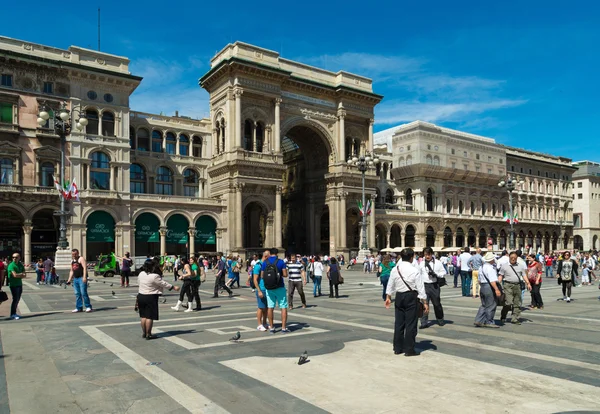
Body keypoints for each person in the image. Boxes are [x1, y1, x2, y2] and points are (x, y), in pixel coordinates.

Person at [385, 248, 428, 356]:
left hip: (399, 296)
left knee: (399, 323)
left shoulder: (396, 269)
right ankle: (409, 349)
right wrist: (425, 302)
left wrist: (388, 297)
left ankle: (397, 348)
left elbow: (390, 284)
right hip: (411, 296)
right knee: (411, 324)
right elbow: (420, 287)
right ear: (411, 257)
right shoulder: (414, 270)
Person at [137, 258, 180, 339]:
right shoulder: (154, 276)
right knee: (150, 316)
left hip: (141, 296)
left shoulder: (141, 274)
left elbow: (138, 282)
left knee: (143, 316)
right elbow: (163, 284)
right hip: (150, 297)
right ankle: (148, 334)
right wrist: (173, 287)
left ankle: (144, 333)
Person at [498, 251, 531, 325]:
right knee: (508, 302)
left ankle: (515, 318)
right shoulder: (504, 266)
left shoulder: (520, 266)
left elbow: (524, 275)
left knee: (517, 303)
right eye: (511, 258)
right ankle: (503, 315)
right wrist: (497, 285)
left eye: (514, 258)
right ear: (509, 258)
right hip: (508, 285)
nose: (513, 259)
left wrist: (528, 283)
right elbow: (500, 276)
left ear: (517, 258)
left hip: (517, 286)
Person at [261, 248, 289, 334]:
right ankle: (283, 328)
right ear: (277, 253)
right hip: (280, 286)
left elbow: (262, 276)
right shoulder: (281, 262)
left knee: (270, 307)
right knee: (283, 306)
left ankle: (272, 328)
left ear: (270, 253)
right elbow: (285, 275)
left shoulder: (265, 262)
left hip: (269, 288)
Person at [418, 247, 446, 329]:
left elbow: (443, 272)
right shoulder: (421, 264)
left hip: (434, 285)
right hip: (425, 285)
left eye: (429, 254)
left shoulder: (438, 262)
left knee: (437, 303)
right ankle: (424, 322)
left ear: (432, 254)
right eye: (426, 254)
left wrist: (436, 274)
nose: (427, 256)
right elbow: (418, 274)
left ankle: (440, 318)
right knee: (424, 304)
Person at [474, 252, 502, 328]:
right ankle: (489, 321)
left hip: (483, 286)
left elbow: (479, 280)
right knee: (491, 305)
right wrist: (496, 289)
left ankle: (478, 320)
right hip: (489, 286)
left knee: (484, 304)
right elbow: (492, 280)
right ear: (492, 259)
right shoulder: (490, 268)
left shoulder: (481, 267)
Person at [67, 249, 92, 313]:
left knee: (83, 293)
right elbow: (71, 271)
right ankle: (79, 307)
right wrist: (69, 280)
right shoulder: (72, 261)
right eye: (73, 254)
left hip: (81, 278)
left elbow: (84, 268)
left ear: (78, 253)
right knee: (77, 293)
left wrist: (84, 277)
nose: (74, 255)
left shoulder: (81, 259)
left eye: (75, 254)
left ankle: (88, 306)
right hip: (75, 279)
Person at [7, 252, 26, 320]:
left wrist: (19, 275)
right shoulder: (11, 265)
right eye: (13, 257)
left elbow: (25, 275)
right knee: (15, 299)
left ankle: (14, 313)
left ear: (19, 258)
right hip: (13, 285)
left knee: (17, 299)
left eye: (16, 257)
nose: (14, 258)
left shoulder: (20, 264)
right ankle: (12, 314)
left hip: (19, 284)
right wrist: (21, 274)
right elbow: (14, 275)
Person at [253, 250, 269, 331]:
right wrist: (258, 290)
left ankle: (265, 323)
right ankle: (259, 324)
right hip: (261, 289)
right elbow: (255, 280)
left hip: (267, 289)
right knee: (260, 307)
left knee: (266, 307)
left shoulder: (266, 265)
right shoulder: (258, 266)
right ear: (265, 256)